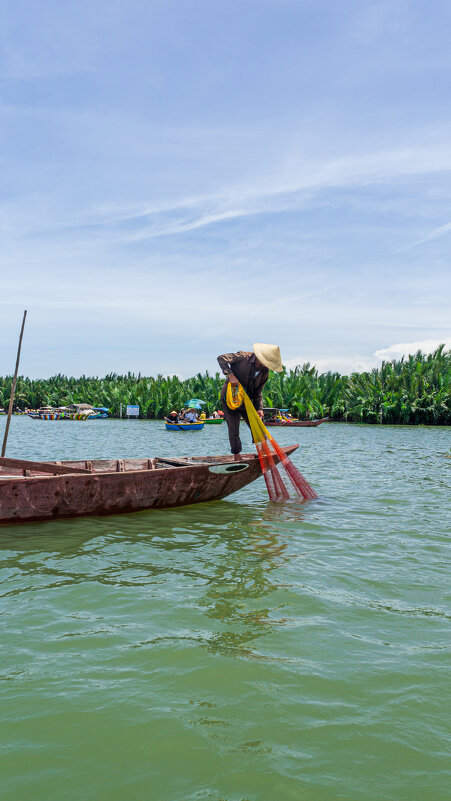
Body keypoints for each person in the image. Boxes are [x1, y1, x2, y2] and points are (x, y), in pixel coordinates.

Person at [217, 343, 283, 459]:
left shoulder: (264, 372)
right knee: (234, 428)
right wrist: (230, 375)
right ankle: (237, 455)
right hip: (230, 398)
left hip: (247, 401)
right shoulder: (243, 357)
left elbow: (258, 392)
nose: (265, 364)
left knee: (258, 424)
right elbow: (221, 358)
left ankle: (262, 451)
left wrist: (259, 408)